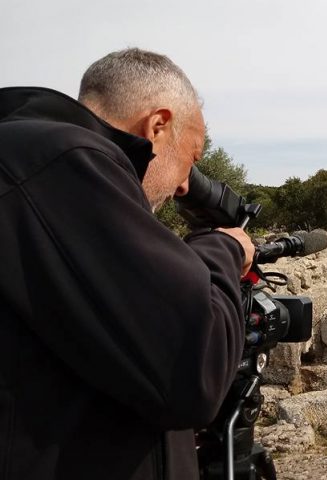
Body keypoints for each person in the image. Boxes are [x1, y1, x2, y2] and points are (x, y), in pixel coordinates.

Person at [0, 48, 255, 479]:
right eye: (190, 160)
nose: (182, 186)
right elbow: (192, 374)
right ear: (158, 125)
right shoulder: (64, 162)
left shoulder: (34, 158)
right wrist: (223, 249)